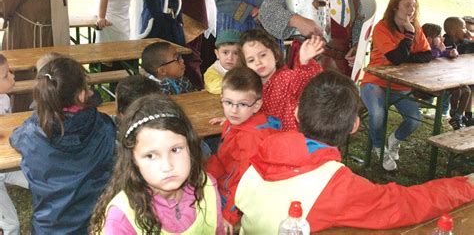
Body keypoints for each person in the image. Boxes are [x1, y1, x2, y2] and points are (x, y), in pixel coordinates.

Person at [235, 70, 474, 234]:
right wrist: (466, 186)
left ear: (297, 113)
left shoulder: (259, 153)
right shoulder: (337, 186)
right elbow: (405, 204)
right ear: (355, 126)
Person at [10, 57, 116, 233]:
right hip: (94, 224)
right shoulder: (104, 126)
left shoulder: (31, 133)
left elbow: (15, 137)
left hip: (50, 228)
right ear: (82, 94)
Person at [90, 94, 224, 234]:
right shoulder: (121, 218)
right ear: (133, 160)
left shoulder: (207, 186)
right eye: (151, 156)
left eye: (175, 150)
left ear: (190, 146)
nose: (167, 166)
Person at [360, 0, 432, 171]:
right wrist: (408, 36)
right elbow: (396, 58)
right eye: (407, 5)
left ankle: (394, 140)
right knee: (377, 115)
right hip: (375, 80)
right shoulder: (382, 27)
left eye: (414, 6)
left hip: (400, 84)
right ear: (395, 7)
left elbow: (427, 55)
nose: (412, 10)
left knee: (414, 120)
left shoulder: (416, 27)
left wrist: (404, 55)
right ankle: (379, 148)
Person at [1, 0, 73, 111]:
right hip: (29, 36)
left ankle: (47, 111)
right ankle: (21, 115)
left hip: (49, 34)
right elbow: (7, 1)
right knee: (27, 79)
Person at [206, 67, 280, 232]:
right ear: (222, 99)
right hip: (227, 183)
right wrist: (206, 177)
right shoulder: (233, 122)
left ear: (256, 106)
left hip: (241, 199)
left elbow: (245, 184)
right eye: (229, 103)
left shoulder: (251, 139)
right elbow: (220, 157)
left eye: (242, 104)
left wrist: (228, 215)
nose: (233, 110)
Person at [240, 29, 324, 131]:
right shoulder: (252, 87)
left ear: (275, 55)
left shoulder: (285, 77)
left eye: (263, 55)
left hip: (291, 142)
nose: (258, 62)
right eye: (251, 60)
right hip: (268, 142)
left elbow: (304, 79)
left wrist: (304, 61)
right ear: (246, 66)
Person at [422, 23, 471, 129]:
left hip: (443, 79)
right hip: (430, 83)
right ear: (429, 39)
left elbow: (444, 53)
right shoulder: (425, 49)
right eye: (438, 36)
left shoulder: (437, 49)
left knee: (466, 91)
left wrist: (453, 53)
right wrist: (440, 49)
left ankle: (457, 116)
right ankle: (454, 114)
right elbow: (432, 55)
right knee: (457, 90)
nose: (442, 38)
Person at [0, 55, 29, 235]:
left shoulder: (4, 99)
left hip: (6, 168)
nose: (12, 76)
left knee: (43, 181)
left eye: (10, 71)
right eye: (5, 75)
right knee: (11, 226)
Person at [204, 29, 241, 94]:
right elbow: (213, 87)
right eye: (225, 52)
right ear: (217, 54)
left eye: (236, 53)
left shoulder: (245, 68)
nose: (230, 58)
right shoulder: (212, 71)